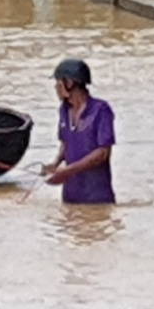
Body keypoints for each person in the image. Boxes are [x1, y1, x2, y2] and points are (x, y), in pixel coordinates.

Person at [41, 58, 115, 203]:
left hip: (96, 198)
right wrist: (55, 165)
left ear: (69, 83)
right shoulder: (64, 110)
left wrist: (67, 171)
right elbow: (66, 144)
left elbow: (102, 154)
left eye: (58, 82)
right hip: (70, 198)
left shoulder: (101, 110)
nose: (56, 87)